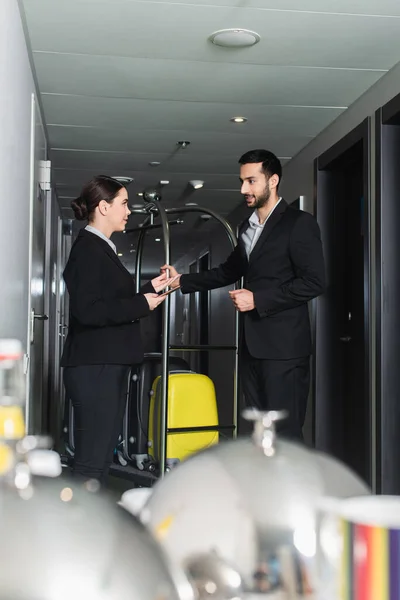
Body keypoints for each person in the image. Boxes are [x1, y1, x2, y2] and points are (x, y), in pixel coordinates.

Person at [163, 149, 325, 440]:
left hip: (285, 352)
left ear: (272, 180)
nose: (243, 189)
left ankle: (289, 487)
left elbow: (315, 282)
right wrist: (181, 280)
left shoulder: (299, 223)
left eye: (251, 181)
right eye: (242, 181)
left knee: (284, 434)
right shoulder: (246, 227)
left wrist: (258, 299)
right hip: (251, 349)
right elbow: (228, 271)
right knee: (258, 432)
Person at [61, 175, 176, 482]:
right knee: (90, 459)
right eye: (124, 203)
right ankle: (80, 528)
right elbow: (88, 311)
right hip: (94, 366)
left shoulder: (101, 248)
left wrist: (150, 289)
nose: (129, 211)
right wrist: (142, 305)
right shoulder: (87, 249)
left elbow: (109, 299)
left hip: (103, 364)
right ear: (103, 206)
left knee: (99, 456)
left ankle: (91, 525)